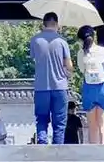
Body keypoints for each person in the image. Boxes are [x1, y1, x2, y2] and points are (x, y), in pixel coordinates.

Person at [29, 12, 73, 145]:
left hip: (41, 87)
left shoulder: (35, 40)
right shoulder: (62, 41)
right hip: (60, 87)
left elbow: (33, 58)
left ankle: (42, 144)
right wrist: (68, 73)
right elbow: (69, 66)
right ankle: (57, 150)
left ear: (44, 24)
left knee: (41, 119)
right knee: (59, 122)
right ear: (57, 24)